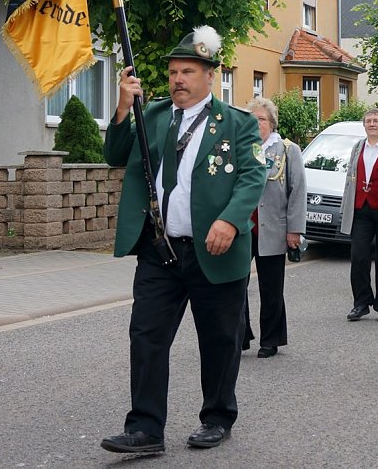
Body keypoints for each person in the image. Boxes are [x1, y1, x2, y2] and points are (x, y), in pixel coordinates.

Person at [100, 26, 266, 453]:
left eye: (187, 71)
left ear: (210, 75)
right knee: (146, 336)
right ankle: (145, 429)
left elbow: (253, 176)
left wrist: (230, 221)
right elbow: (114, 155)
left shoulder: (238, 123)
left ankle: (217, 418)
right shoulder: (152, 115)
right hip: (161, 250)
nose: (178, 79)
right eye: (173, 72)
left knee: (219, 340)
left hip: (215, 250)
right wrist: (122, 107)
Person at [241, 97, 306, 358]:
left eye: (262, 119)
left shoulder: (288, 150)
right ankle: (239, 336)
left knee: (271, 287)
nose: (257, 124)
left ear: (271, 123)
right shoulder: (240, 147)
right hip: (242, 228)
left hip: (274, 228)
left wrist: (295, 229)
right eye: (252, 119)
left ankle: (271, 339)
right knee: (235, 285)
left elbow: (297, 191)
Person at [340, 108, 378, 322]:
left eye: (376, 120)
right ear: (364, 125)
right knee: (358, 257)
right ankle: (361, 303)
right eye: (368, 121)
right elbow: (350, 177)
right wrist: (345, 207)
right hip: (361, 209)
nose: (372, 124)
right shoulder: (358, 146)